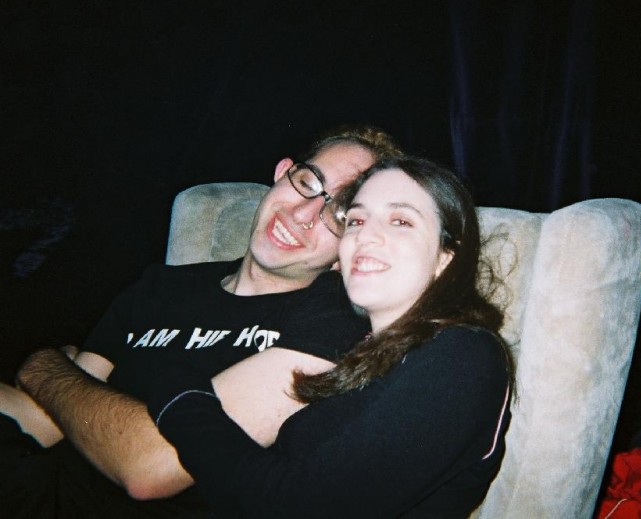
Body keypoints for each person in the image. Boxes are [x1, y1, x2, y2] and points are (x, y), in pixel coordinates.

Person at [1, 125, 403, 517]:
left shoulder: (336, 324)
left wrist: (41, 365)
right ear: (283, 173)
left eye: (340, 214)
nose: (303, 213)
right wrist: (55, 380)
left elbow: (151, 466)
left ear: (351, 246)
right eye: (308, 182)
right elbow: (46, 419)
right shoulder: (163, 286)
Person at [148, 156, 515, 518]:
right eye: (355, 220)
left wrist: (174, 388)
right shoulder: (366, 354)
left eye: (401, 221)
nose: (364, 235)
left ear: (445, 257)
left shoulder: (464, 356)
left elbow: (287, 507)